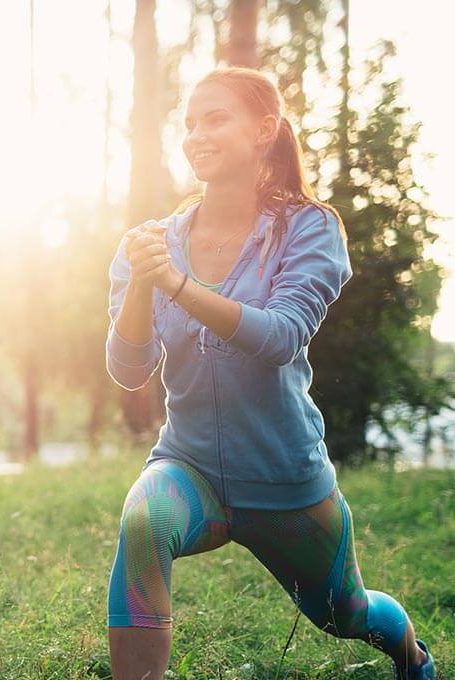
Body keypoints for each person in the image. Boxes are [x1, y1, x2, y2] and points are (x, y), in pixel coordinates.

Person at [103, 67, 435, 680]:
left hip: (283, 479)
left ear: (264, 130)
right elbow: (128, 369)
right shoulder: (152, 242)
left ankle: (414, 660)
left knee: (345, 613)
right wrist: (144, 284)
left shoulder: (310, 228)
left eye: (216, 119)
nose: (197, 135)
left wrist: (176, 283)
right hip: (189, 466)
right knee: (145, 520)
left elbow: (280, 337)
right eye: (190, 123)